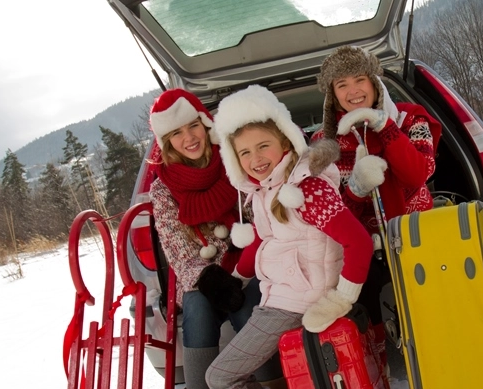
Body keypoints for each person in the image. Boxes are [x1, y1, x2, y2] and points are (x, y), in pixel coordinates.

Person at [205, 85, 373, 389]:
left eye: (263, 146)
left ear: (285, 142)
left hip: (296, 301)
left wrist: (340, 300)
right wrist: (234, 279)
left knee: (219, 377)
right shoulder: (264, 189)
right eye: (244, 152)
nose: (255, 158)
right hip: (282, 293)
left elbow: (358, 242)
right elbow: (260, 240)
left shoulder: (305, 188)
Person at [311, 45, 442, 368]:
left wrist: (385, 126)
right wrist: (356, 189)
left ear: (373, 82)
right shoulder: (322, 145)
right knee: (360, 294)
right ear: (332, 96)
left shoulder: (413, 118)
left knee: (430, 312)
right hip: (362, 244)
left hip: (415, 230)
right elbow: (331, 215)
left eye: (359, 80)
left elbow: (417, 174)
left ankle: (438, 358)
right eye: (341, 85)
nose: (353, 91)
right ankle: (375, 363)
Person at [148, 88, 283, 389]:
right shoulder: (163, 189)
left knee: (251, 306)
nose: (189, 138)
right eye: (176, 133)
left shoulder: (234, 160)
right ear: (167, 142)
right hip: (203, 277)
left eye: (193, 125)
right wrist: (214, 281)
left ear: (205, 123)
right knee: (196, 307)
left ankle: (275, 384)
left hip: (248, 264)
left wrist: (240, 273)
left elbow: (259, 214)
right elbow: (178, 253)